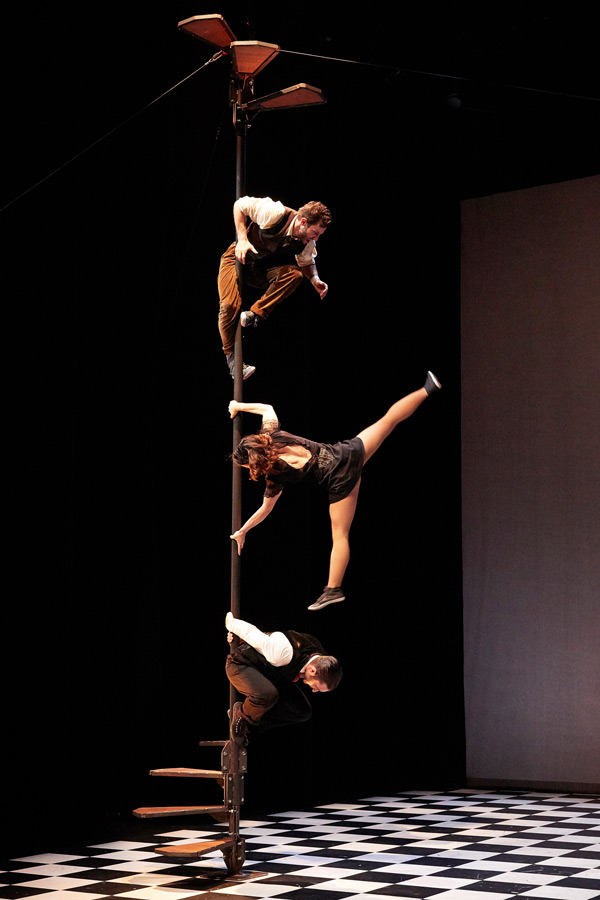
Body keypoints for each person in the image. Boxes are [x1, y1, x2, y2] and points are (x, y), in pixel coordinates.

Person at [229, 371, 442, 610]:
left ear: (253, 462)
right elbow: (267, 408)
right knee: (387, 421)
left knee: (340, 535)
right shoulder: (272, 435)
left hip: (341, 482)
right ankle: (427, 388)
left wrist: (243, 530)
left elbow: (266, 509)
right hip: (347, 453)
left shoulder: (275, 476)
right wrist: (239, 405)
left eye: (245, 466)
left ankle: (333, 589)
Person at [218, 196, 332, 379]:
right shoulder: (275, 212)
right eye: (315, 233)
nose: (316, 238)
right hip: (236, 258)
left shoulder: (307, 241)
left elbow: (307, 262)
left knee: (295, 275)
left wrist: (315, 280)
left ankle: (254, 314)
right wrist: (242, 239)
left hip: (257, 270)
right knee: (229, 306)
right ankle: (232, 360)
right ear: (303, 222)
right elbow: (240, 205)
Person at [225, 611, 342, 742]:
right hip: (241, 664)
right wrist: (233, 627)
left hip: (270, 671)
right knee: (268, 695)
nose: (314, 691)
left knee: (302, 711)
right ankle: (241, 715)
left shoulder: (320, 658)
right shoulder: (283, 653)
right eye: (317, 688)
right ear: (313, 670)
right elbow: (253, 634)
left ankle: (250, 721)